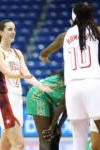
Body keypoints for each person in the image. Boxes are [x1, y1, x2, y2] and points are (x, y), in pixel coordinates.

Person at [0, 19, 55, 150]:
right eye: (9, 29)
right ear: (1, 32)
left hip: (17, 99)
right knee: (19, 144)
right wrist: (22, 74)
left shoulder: (17, 53)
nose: (13, 32)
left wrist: (42, 86)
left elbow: (28, 74)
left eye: (14, 29)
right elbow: (7, 72)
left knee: (6, 145)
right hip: (4, 99)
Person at [63, 2, 100, 150]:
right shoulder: (95, 30)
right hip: (92, 83)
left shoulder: (67, 35)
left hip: (72, 87)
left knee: (78, 141)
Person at [26, 69, 66, 150]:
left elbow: (67, 107)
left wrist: (58, 126)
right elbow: (62, 105)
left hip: (47, 98)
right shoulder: (71, 81)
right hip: (37, 95)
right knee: (46, 137)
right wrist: (52, 127)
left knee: (55, 135)